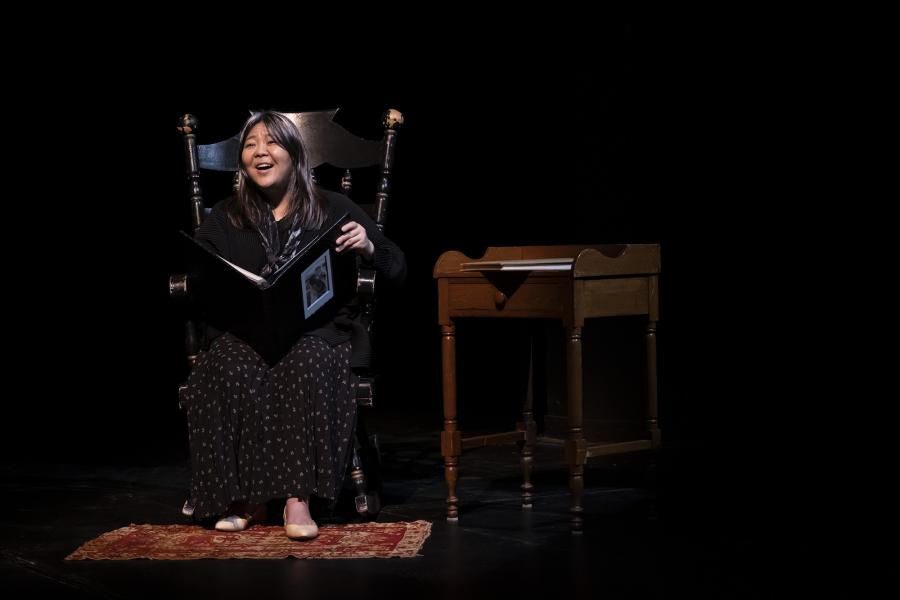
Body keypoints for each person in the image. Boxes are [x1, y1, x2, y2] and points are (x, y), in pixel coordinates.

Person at [181, 110, 406, 540]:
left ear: (294, 154)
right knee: (223, 362)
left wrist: (368, 245)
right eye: (250, 144)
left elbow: (397, 267)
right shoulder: (227, 216)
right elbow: (200, 271)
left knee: (301, 358)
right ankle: (245, 498)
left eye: (272, 143)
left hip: (317, 335)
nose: (260, 152)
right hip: (249, 334)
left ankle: (295, 498)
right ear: (242, 161)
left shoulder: (332, 208)